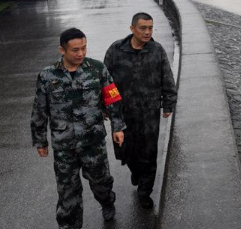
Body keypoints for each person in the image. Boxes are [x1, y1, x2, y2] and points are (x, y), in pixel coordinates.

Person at [31, 28, 126, 229]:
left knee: (101, 184)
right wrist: (40, 140)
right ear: (62, 50)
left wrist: (118, 127)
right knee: (67, 195)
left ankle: (107, 201)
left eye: (83, 48)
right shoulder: (47, 76)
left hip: (93, 144)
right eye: (75, 50)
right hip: (64, 147)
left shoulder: (97, 69)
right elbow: (40, 109)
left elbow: (113, 99)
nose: (81, 53)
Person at [103, 12, 177, 209]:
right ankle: (136, 171)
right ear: (132, 28)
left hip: (149, 113)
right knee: (125, 151)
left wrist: (168, 103)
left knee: (149, 153)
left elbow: (167, 79)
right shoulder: (116, 50)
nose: (147, 32)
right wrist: (105, 107)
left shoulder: (157, 50)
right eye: (143, 28)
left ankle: (145, 191)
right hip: (122, 113)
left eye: (150, 28)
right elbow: (106, 81)